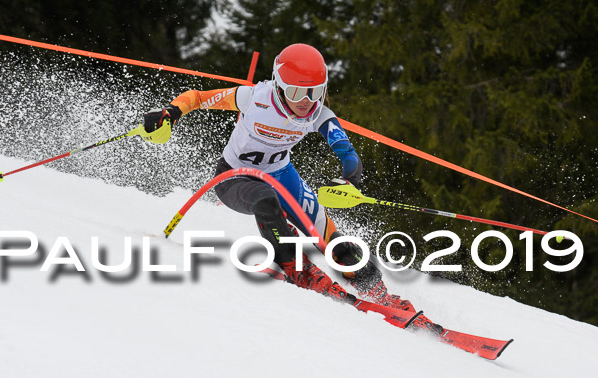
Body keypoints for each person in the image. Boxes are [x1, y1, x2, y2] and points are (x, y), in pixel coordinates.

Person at [143, 43, 408, 309]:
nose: (306, 101)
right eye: (296, 92)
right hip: (234, 178)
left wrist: (350, 180)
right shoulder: (254, 98)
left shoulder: (320, 115)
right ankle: (293, 262)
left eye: (314, 92)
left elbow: (349, 155)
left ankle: (376, 292)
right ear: (279, 87)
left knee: (336, 244)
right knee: (265, 198)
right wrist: (171, 113)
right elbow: (199, 97)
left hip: (282, 175)